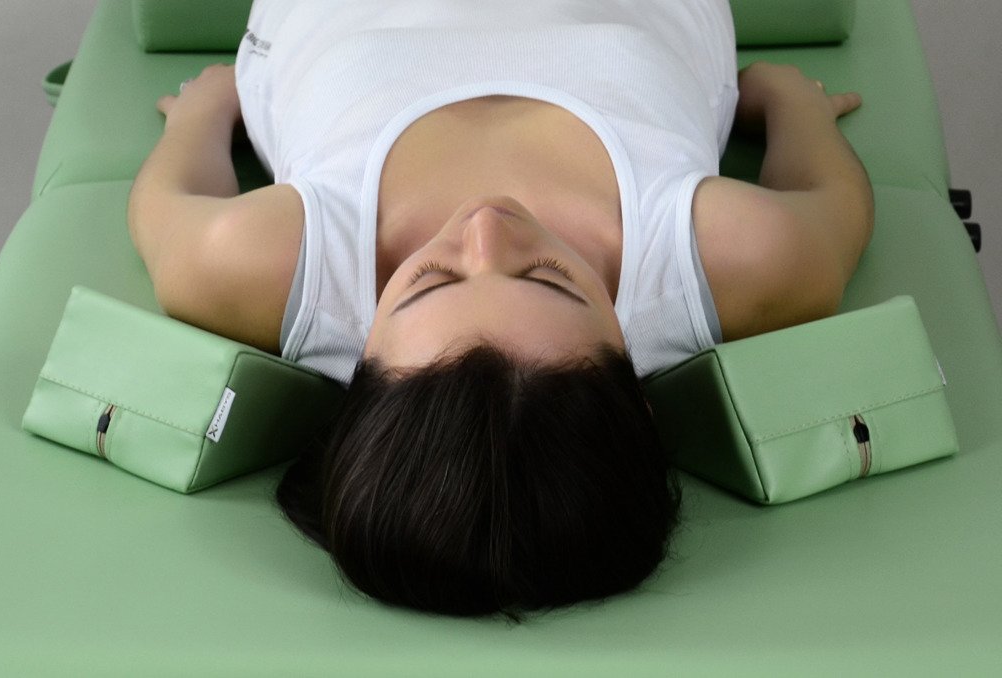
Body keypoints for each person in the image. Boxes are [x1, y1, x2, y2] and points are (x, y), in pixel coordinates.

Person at [127, 0, 873, 619]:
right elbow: (836, 205)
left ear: (362, 369)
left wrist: (202, 113)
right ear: (636, 392)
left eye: (427, 282)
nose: (486, 225)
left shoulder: (270, 263)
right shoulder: (730, 258)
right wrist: (792, 105)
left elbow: (163, 206)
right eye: (552, 278)